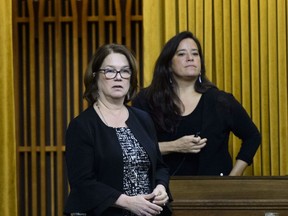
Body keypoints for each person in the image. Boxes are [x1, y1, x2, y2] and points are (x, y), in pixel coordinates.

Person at [132, 31, 261, 176]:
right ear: (168, 64)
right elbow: (132, 149)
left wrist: (232, 179)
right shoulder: (146, 100)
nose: (190, 58)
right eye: (181, 54)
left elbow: (253, 136)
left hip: (214, 192)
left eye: (195, 54)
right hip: (161, 191)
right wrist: (175, 146)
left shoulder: (220, 101)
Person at [64, 44, 172, 216]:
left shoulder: (143, 119)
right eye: (110, 71)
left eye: (124, 71)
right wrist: (127, 202)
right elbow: (82, 183)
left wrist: (161, 187)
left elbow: (160, 167)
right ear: (95, 77)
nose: (118, 77)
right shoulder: (82, 126)